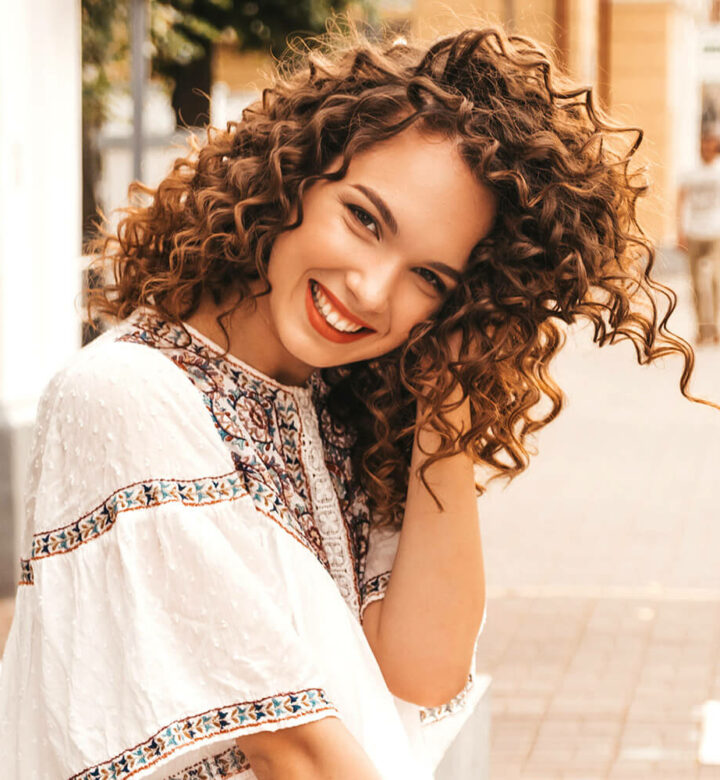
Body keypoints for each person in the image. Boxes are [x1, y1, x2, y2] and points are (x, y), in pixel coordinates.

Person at [0, 23, 697, 780]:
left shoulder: (345, 411)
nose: (370, 289)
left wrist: (450, 394)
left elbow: (422, 671)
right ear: (292, 176)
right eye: (364, 220)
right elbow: (293, 751)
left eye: (429, 277)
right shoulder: (127, 395)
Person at [677, 132, 720, 344]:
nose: (706, 149)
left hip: (715, 233)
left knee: (714, 281)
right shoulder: (690, 173)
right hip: (694, 233)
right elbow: (680, 202)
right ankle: (702, 329)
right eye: (704, 146)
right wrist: (680, 232)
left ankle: (715, 326)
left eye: (710, 146)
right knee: (696, 284)